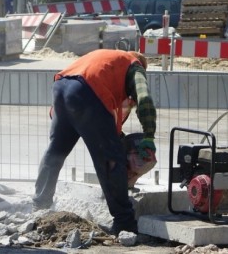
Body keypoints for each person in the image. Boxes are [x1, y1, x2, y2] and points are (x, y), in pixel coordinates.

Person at [32, 49, 157, 236]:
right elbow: (144, 98)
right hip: (88, 91)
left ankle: (39, 207)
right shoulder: (134, 66)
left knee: (55, 151)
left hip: (62, 88)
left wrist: (114, 136)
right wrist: (149, 134)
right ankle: (124, 222)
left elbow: (111, 114)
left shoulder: (108, 60)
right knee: (110, 160)